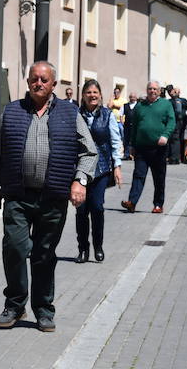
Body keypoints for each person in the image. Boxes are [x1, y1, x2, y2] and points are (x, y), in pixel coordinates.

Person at [0, 61, 97, 333]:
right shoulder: (11, 112)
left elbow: (89, 152)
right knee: (14, 248)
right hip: (17, 195)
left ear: (53, 85)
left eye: (44, 80)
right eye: (34, 79)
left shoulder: (70, 113)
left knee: (44, 254)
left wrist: (79, 181)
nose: (38, 83)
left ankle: (44, 310)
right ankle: (14, 304)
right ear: (27, 81)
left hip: (53, 197)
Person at [75, 79, 123, 263]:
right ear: (83, 96)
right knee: (81, 211)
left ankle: (98, 246)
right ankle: (82, 249)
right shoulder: (76, 114)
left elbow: (115, 141)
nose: (92, 95)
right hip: (79, 170)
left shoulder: (107, 115)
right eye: (89, 92)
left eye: (95, 92)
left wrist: (117, 167)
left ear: (101, 95)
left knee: (97, 207)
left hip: (101, 169)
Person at [122, 80, 175, 214]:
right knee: (138, 175)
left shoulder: (166, 104)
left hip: (159, 148)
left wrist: (166, 135)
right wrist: (132, 145)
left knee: (159, 177)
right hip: (141, 148)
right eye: (150, 89)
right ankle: (132, 202)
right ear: (147, 90)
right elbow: (134, 127)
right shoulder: (140, 106)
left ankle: (158, 204)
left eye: (154, 89)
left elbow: (171, 122)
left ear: (159, 91)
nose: (152, 91)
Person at [166, 86, 186, 164]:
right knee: (171, 139)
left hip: (177, 122)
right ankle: (171, 157)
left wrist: (175, 97)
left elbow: (179, 111)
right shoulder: (169, 101)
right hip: (172, 122)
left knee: (175, 139)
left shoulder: (181, 100)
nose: (171, 93)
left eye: (173, 91)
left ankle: (175, 158)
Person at [122, 93, 139, 159]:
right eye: (131, 97)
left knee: (135, 140)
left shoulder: (139, 105)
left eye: (133, 97)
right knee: (126, 140)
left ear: (136, 98)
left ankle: (135, 154)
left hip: (136, 126)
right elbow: (121, 114)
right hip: (127, 126)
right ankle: (127, 155)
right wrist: (122, 122)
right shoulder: (125, 105)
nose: (132, 98)